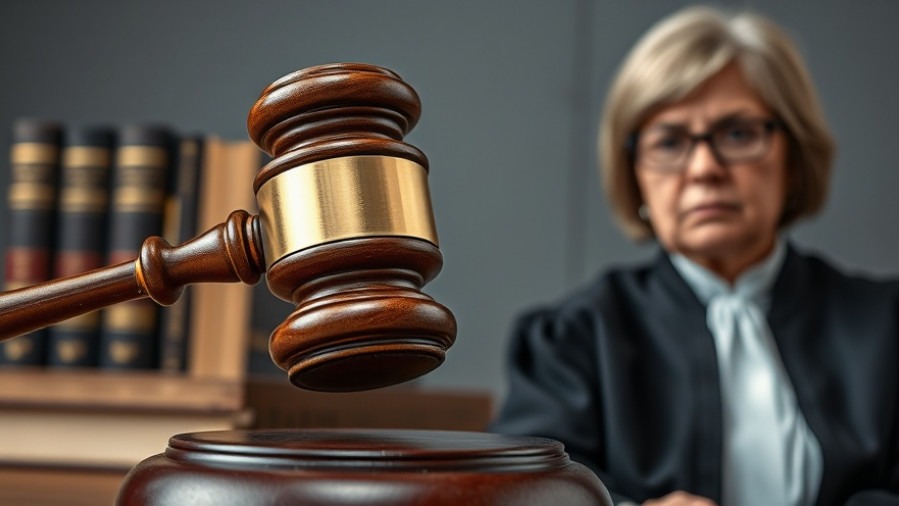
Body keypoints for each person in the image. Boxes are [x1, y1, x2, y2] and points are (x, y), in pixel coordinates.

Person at [489, 6, 899, 506]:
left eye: (739, 134)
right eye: (669, 141)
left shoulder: (886, 326)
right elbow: (524, 494)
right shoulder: (572, 341)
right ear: (634, 174)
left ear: (793, 159)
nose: (704, 167)